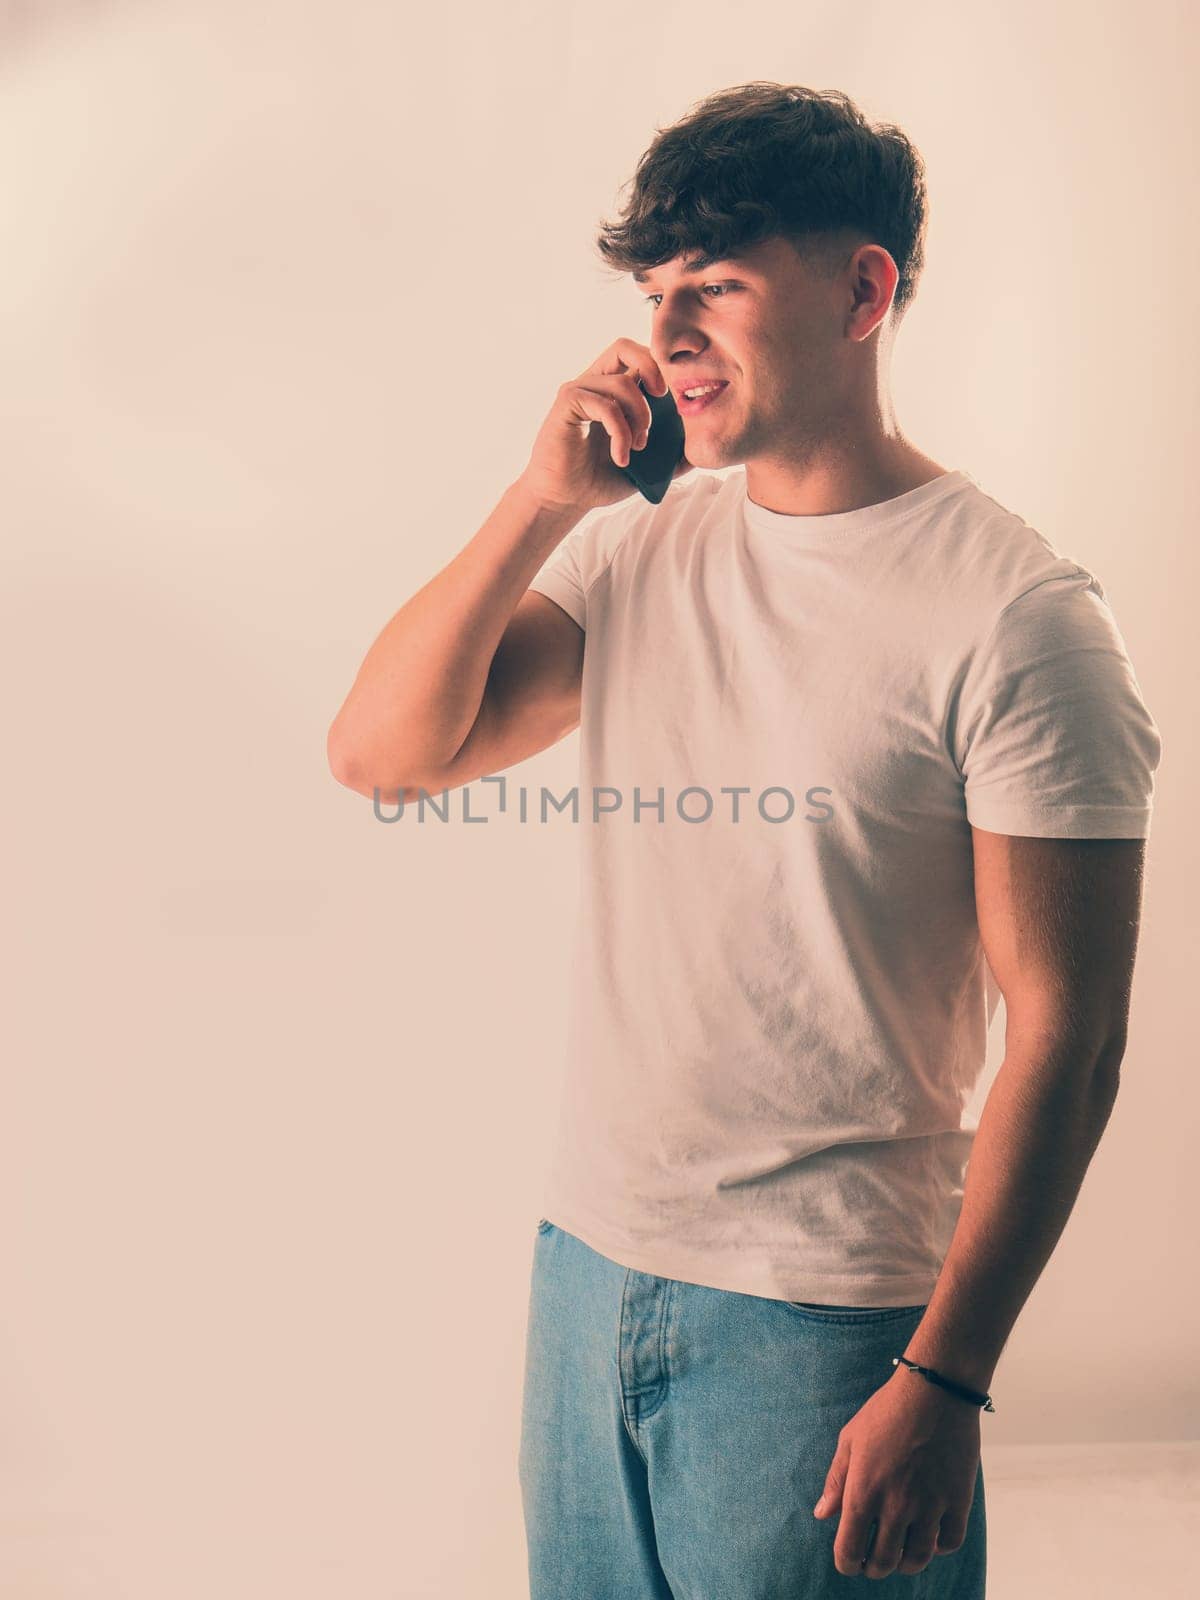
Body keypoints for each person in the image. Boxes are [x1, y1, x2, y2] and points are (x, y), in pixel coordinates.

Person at [327, 82, 1162, 1596]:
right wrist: (538, 499)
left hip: (825, 1322)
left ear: (863, 290)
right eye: (655, 296)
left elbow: (1070, 1035)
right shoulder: (648, 545)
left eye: (714, 283)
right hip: (585, 1272)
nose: (669, 337)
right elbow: (383, 753)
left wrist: (951, 1378)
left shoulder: (1020, 618)